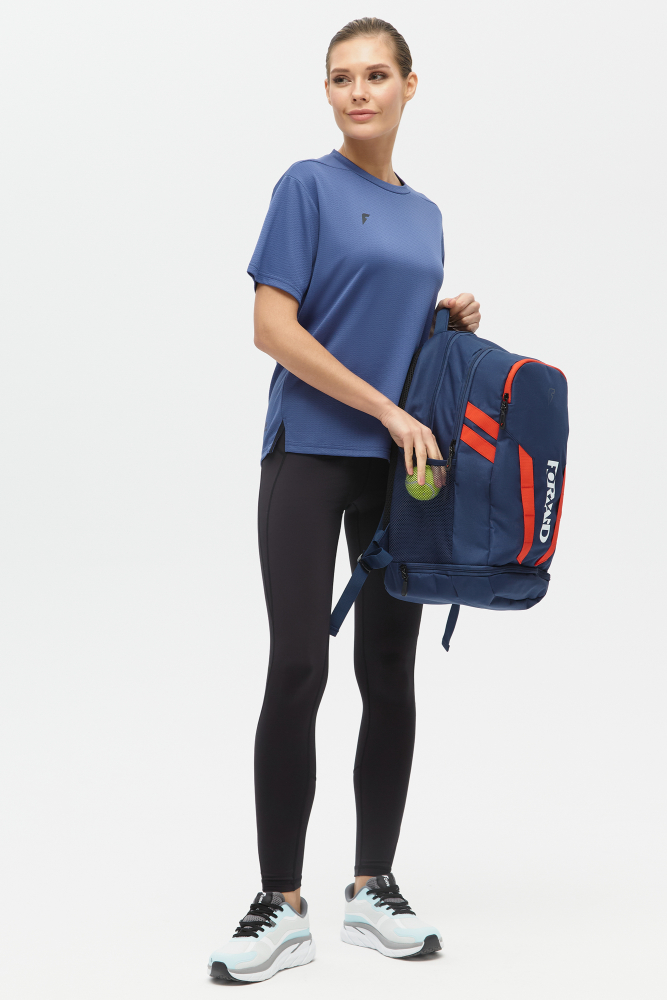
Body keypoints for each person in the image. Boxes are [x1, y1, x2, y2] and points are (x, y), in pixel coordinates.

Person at [209, 18, 481, 983]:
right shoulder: (306, 186)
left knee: (389, 673)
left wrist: (440, 320)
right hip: (311, 452)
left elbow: (380, 325)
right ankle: (279, 903)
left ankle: (372, 886)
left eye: (374, 75)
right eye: (339, 78)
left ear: (410, 85)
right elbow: (272, 328)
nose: (357, 92)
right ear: (327, 92)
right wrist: (385, 409)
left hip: (396, 467)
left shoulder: (426, 214)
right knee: (298, 666)